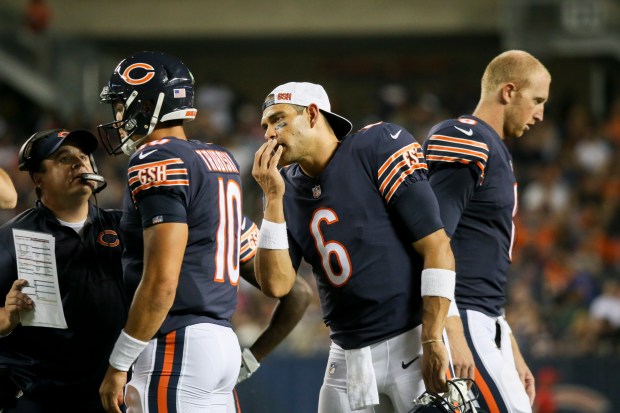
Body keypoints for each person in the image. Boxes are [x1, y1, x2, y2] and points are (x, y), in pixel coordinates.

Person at [252, 81, 456, 412]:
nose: (268, 134)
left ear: (313, 114)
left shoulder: (376, 146)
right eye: (264, 126)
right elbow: (276, 285)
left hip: (410, 341)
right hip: (346, 355)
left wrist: (433, 338)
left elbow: (438, 248)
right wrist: (272, 199)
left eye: (278, 119)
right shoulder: (283, 188)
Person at [97, 51, 244, 413]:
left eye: (121, 105)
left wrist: (119, 363)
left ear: (147, 105)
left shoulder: (156, 158)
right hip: (223, 340)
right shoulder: (218, 158)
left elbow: (162, 282)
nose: (118, 117)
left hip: (176, 344)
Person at [422, 50, 551, 413]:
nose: (540, 114)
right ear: (509, 91)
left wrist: (508, 345)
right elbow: (432, 241)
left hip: (487, 319)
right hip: (462, 315)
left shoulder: (497, 149)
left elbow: (484, 264)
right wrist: (452, 331)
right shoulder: (466, 137)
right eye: (537, 100)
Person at [0, 128, 126, 412]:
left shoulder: (124, 228)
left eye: (84, 157)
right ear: (38, 178)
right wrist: (7, 317)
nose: (80, 163)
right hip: (38, 399)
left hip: (107, 395)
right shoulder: (10, 239)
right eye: (63, 158)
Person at [229, 215, 313, 411]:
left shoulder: (169, 199)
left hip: (172, 351)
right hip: (223, 351)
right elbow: (299, 295)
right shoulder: (229, 212)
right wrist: (249, 362)